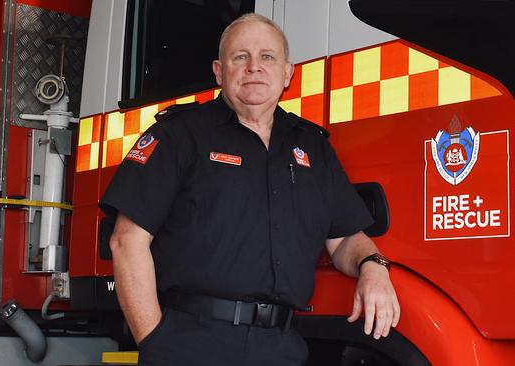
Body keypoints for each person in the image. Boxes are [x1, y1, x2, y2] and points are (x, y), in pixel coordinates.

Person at [100, 13, 400, 366]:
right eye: (240, 57)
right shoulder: (179, 135)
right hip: (190, 344)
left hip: (280, 347)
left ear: (288, 73)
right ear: (218, 70)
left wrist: (373, 266)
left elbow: (346, 239)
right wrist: (155, 340)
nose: (254, 67)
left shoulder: (312, 147)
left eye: (267, 57)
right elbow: (127, 240)